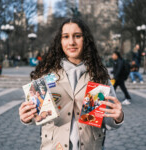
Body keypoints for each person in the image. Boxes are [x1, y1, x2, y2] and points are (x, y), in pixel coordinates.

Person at [19, 18, 124, 150]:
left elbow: (108, 122)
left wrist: (118, 118)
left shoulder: (98, 77)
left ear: (85, 40)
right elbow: (37, 118)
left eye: (77, 36)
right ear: (60, 41)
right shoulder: (46, 76)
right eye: (66, 37)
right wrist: (27, 117)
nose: (71, 42)